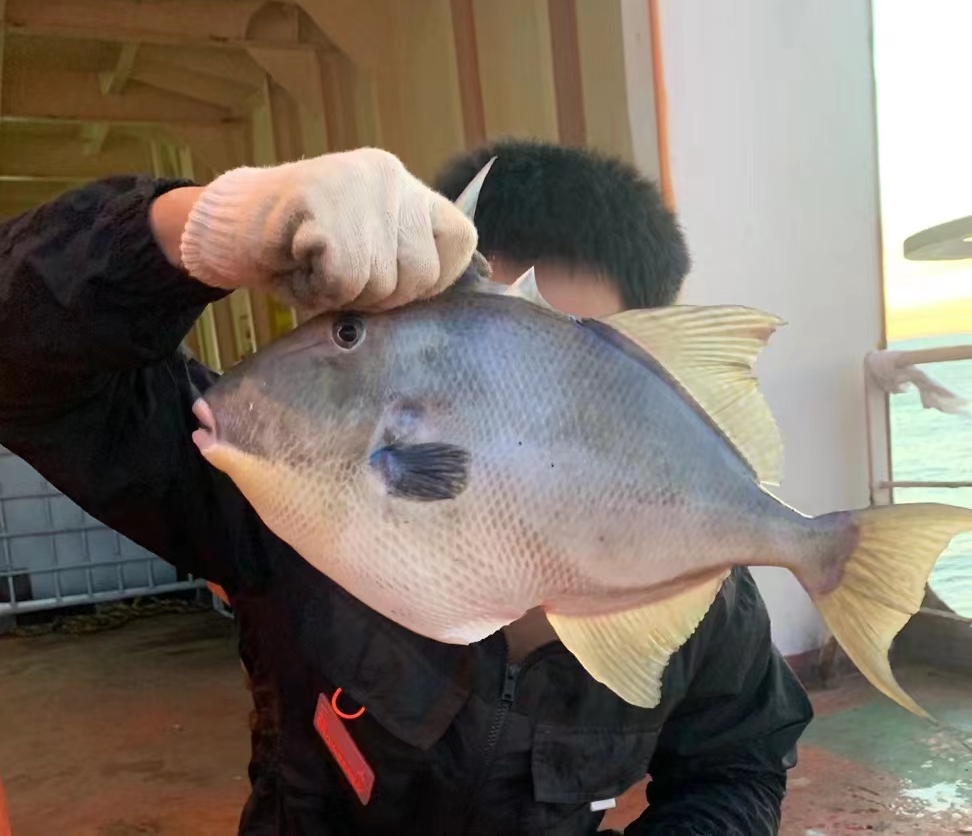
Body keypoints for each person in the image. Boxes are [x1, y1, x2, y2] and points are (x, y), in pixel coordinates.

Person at [0, 140, 813, 835]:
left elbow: (737, 762)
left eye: (572, 403)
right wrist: (202, 228)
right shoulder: (277, 500)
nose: (520, 443)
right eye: (477, 378)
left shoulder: (709, 600)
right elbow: (26, 373)